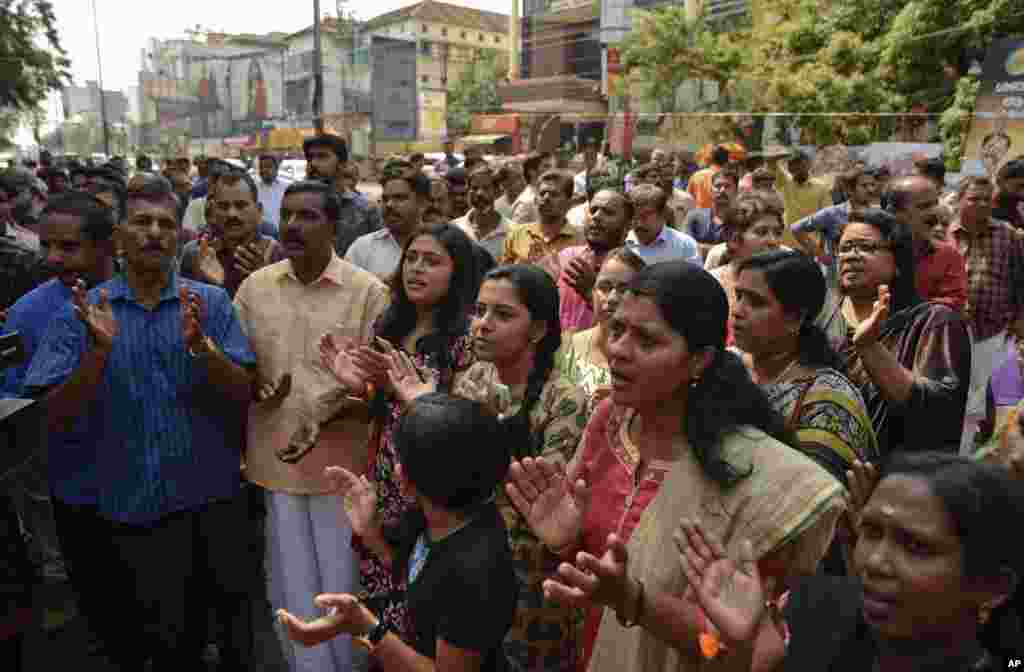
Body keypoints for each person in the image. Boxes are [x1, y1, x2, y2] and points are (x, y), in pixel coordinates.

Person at [507, 260, 845, 672]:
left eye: (647, 341)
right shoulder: (609, 420)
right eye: (617, 330)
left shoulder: (753, 475)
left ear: (699, 360)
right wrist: (566, 543)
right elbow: (593, 575)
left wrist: (635, 600)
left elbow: (739, 652)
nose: (618, 349)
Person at [23, 173, 258, 672]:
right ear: (119, 239)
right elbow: (52, 418)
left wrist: (204, 350)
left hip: (203, 506)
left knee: (192, 644)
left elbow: (244, 398)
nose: (155, 232)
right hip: (120, 511)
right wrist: (99, 353)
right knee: (126, 644)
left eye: (166, 224)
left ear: (180, 237)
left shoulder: (210, 304)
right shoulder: (82, 313)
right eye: (142, 222)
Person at [234, 179, 388, 672]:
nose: (294, 226)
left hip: (342, 470)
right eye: (289, 216)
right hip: (276, 464)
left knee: (342, 586)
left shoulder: (367, 293)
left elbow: (382, 393)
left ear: (335, 226)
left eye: (309, 217)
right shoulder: (256, 288)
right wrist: (251, 384)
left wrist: (337, 406)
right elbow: (240, 368)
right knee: (290, 586)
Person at [677, 452, 1024, 669]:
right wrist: (739, 648)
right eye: (871, 532)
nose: (874, 562)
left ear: (993, 586)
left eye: (915, 546)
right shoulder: (811, 617)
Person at [320, 223, 481, 646]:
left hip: (435, 488)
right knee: (383, 606)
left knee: (424, 609)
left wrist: (419, 400)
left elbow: (466, 426)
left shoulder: (467, 339)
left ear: (457, 272)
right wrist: (356, 387)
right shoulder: (389, 326)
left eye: (432, 261)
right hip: (387, 480)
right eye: (412, 258)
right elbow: (377, 410)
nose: (417, 268)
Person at [277, 393, 519, 672]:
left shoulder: (476, 570)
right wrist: (371, 532)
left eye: (401, 460)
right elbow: (417, 574)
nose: (396, 468)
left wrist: (365, 627)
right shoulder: (438, 516)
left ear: (417, 481)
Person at [458, 264, 589, 672]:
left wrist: (490, 429)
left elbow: (541, 499)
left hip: (528, 578)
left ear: (537, 331)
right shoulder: (473, 377)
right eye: (479, 311)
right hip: (469, 560)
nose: (482, 325)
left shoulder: (563, 399)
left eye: (502, 314)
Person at [2, 193, 118, 642]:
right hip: (69, 490)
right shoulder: (28, 311)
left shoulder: (150, 293)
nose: (53, 258)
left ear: (106, 245)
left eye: (68, 247)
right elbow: (15, 401)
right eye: (47, 246)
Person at [819, 208, 971, 456]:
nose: (850, 256)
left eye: (866, 247)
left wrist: (870, 348)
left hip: (901, 479)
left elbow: (939, 413)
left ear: (898, 262)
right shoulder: (823, 321)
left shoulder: (933, 321)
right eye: (844, 248)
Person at [732, 249, 878, 482]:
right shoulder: (727, 369)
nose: (737, 311)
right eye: (738, 296)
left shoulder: (828, 399)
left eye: (756, 302)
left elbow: (815, 497)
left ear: (795, 319)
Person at [950, 177, 1024, 453]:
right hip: (953, 330)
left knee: (992, 394)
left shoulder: (1007, 235)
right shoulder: (946, 233)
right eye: (973, 198)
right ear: (959, 201)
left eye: (986, 199)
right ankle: (960, 447)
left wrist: (1019, 318)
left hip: (995, 328)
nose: (981, 204)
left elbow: (1020, 278)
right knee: (960, 392)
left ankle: (980, 450)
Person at [559, 247, 645, 408]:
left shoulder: (647, 356)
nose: (612, 298)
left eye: (624, 289)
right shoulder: (567, 345)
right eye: (604, 287)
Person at [181, 169, 284, 297]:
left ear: (259, 211)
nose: (232, 214)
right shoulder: (193, 254)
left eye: (241, 205)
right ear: (212, 212)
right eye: (223, 207)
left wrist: (263, 281)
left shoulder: (277, 254)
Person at [708, 191, 786, 343]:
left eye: (777, 233)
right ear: (733, 239)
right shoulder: (710, 284)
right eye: (762, 232)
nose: (773, 241)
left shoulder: (787, 284)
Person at [883, 176, 968, 312]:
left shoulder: (947, 255)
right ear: (895, 212)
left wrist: (912, 305)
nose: (934, 212)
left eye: (935, 204)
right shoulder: (878, 251)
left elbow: (955, 303)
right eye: (924, 206)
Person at [556, 189, 633, 334]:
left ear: (628, 225)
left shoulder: (633, 269)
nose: (596, 216)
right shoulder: (566, 257)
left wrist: (591, 292)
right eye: (593, 210)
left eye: (608, 212)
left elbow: (627, 323)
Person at [791, 166, 880, 290]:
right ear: (850, 190)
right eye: (864, 186)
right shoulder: (832, 214)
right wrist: (821, 255)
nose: (870, 190)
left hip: (870, 279)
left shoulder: (879, 214)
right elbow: (796, 229)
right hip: (839, 280)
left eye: (872, 185)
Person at [347, 160, 430, 280]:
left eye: (400, 198)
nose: (389, 205)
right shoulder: (362, 248)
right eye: (385, 199)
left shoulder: (443, 247)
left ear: (422, 204)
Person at [304, 134, 382, 257]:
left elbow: (378, 254)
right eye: (310, 158)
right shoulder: (298, 208)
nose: (313, 163)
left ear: (343, 164)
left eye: (322, 156)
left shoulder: (366, 210)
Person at [501, 170, 582, 279]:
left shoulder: (580, 241)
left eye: (554, 194)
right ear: (535, 200)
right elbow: (502, 277)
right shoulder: (517, 234)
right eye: (542, 193)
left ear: (569, 203)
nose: (546, 198)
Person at [767, 150, 833, 254]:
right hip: (786, 244)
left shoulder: (821, 187)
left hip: (809, 245)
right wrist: (784, 153)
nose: (795, 167)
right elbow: (771, 162)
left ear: (808, 164)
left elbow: (826, 217)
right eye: (791, 164)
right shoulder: (784, 183)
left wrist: (821, 245)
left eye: (799, 162)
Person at [625, 183, 700, 265]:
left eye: (645, 215)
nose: (639, 223)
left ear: (663, 214)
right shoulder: (622, 244)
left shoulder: (685, 245)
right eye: (634, 216)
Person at [453, 165, 512, 262]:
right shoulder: (455, 229)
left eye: (486, 188)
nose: (479, 193)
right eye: (474, 188)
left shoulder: (512, 231)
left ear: (497, 192)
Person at [682, 164, 740, 259]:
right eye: (718, 186)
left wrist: (702, 247)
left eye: (727, 186)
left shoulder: (742, 219)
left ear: (736, 191)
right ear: (710, 190)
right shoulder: (694, 216)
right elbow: (685, 246)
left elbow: (740, 250)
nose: (722, 190)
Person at [511, 152, 556, 225]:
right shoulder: (526, 202)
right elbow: (517, 233)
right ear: (532, 172)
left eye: (553, 167)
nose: (553, 171)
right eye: (547, 166)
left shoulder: (547, 197)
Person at [686, 145, 728, 209]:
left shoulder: (696, 175)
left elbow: (688, 198)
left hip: (699, 215)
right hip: (718, 215)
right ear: (726, 161)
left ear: (711, 158)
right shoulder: (727, 177)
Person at [257, 154, 289, 235]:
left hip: (285, 233)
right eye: (261, 167)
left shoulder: (287, 188)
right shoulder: (254, 189)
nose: (264, 170)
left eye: (268, 166)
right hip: (264, 235)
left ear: (276, 168)